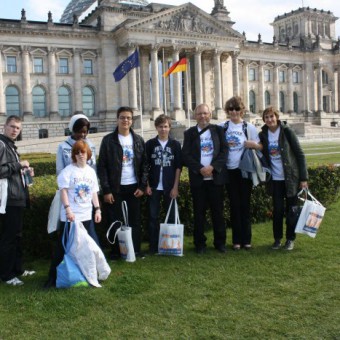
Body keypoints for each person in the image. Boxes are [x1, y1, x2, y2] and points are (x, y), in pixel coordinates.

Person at [44, 140, 102, 288]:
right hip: (71, 217)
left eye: (83, 152)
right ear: (73, 155)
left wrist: (97, 209)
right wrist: (68, 209)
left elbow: (94, 192)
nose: (80, 155)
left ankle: (92, 275)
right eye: (77, 152)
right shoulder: (68, 171)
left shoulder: (90, 171)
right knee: (63, 247)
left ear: (88, 154)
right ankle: (52, 279)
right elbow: (63, 191)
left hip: (86, 216)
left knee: (91, 246)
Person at [97, 106, 148, 259]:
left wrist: (142, 186)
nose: (125, 120)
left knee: (134, 220)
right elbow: (102, 167)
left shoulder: (138, 140)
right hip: (115, 188)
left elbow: (145, 165)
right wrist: (106, 190)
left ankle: (135, 250)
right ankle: (116, 251)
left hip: (133, 187)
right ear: (117, 119)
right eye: (122, 117)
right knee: (115, 220)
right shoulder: (108, 140)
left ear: (132, 121)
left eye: (128, 118)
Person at [259, 106, 308, 250]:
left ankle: (290, 239)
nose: (269, 119)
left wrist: (303, 178)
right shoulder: (263, 134)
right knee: (278, 211)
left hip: (291, 178)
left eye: (271, 116)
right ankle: (277, 239)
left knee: (291, 211)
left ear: (277, 117)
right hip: (275, 180)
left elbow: (300, 154)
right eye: (266, 117)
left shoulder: (287, 131)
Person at [182, 104, 227, 254]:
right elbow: (186, 155)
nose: (202, 116)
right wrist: (200, 168)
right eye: (199, 114)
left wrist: (212, 167)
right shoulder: (190, 133)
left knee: (218, 213)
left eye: (205, 113)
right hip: (198, 180)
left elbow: (224, 152)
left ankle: (220, 243)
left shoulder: (218, 130)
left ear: (210, 114)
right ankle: (199, 244)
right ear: (195, 116)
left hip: (215, 179)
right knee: (199, 213)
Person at [221, 96, 261, 251]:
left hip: (245, 170)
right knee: (234, 205)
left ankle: (247, 239)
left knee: (245, 204)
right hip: (230, 171)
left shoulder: (248, 127)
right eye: (230, 109)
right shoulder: (223, 126)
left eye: (237, 109)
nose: (234, 112)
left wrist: (253, 145)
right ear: (227, 111)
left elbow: (260, 146)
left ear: (242, 110)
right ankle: (236, 240)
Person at [0, 115, 35, 286]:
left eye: (18, 128)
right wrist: (19, 165)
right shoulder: (1, 144)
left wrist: (25, 171)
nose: (15, 130)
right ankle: (7, 275)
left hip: (17, 198)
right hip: (9, 200)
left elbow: (11, 171)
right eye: (12, 126)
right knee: (9, 238)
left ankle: (18, 269)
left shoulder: (10, 146)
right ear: (4, 127)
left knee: (17, 237)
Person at [56, 114, 99, 245]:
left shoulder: (90, 145)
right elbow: (60, 172)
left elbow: (93, 170)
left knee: (89, 233)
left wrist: (96, 205)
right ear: (73, 130)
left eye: (85, 132)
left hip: (85, 196)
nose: (82, 135)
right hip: (71, 195)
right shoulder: (63, 146)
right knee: (68, 236)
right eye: (79, 132)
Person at [145, 114, 182, 254]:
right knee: (153, 217)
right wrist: (147, 185)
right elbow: (145, 166)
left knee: (171, 216)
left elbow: (178, 167)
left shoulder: (175, 145)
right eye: (160, 127)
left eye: (166, 126)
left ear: (169, 127)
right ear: (156, 127)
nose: (163, 129)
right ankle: (153, 246)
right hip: (154, 186)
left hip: (169, 186)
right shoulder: (150, 144)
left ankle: (170, 245)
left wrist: (175, 187)